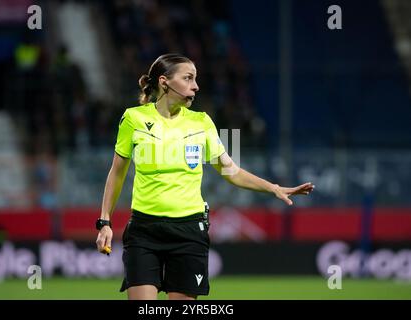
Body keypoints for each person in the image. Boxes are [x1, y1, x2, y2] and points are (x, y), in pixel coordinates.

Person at [95, 53, 314, 300]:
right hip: (144, 231)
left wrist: (273, 187)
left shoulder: (202, 122)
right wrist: (105, 221)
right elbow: (117, 173)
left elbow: (232, 172)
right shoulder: (134, 118)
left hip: (189, 232)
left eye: (196, 79)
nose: (196, 86)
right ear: (164, 82)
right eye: (188, 78)